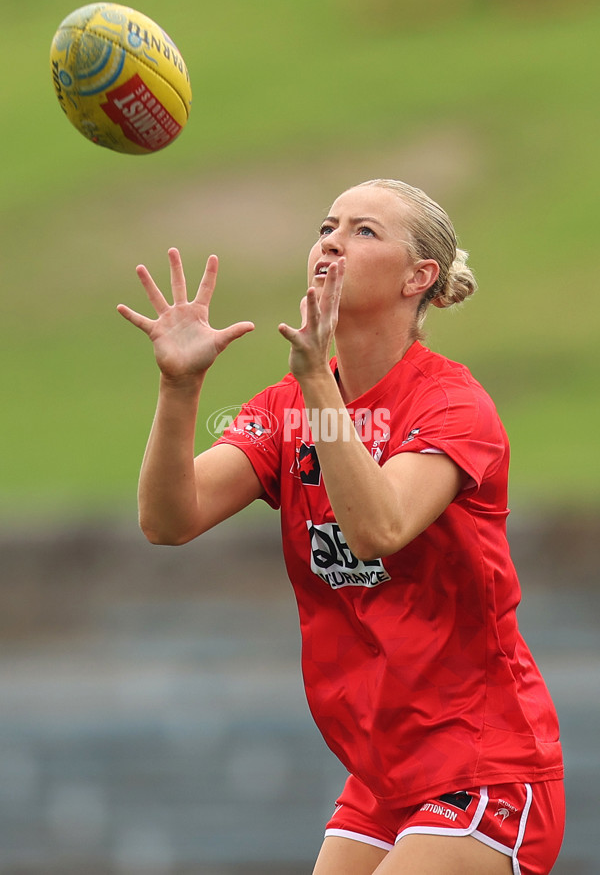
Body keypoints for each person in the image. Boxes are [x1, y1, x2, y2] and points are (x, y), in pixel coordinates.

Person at [117, 179, 565, 875]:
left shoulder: (451, 404)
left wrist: (318, 387)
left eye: (363, 231)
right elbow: (169, 521)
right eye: (327, 226)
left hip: (484, 764)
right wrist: (180, 389)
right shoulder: (286, 405)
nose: (331, 241)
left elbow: (379, 528)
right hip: (383, 774)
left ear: (419, 278)